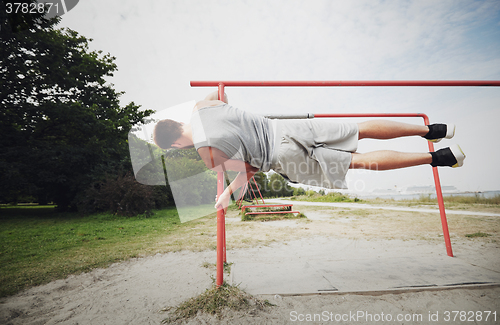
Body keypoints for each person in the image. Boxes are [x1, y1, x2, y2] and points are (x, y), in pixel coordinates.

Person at [153, 91, 465, 212]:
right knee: (359, 129)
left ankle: (440, 158)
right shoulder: (200, 106)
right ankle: (433, 130)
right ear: (177, 121)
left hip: (281, 156)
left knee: (358, 162)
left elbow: (248, 171)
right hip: (286, 128)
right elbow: (220, 94)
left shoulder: (207, 153)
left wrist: (226, 197)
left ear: (175, 144)